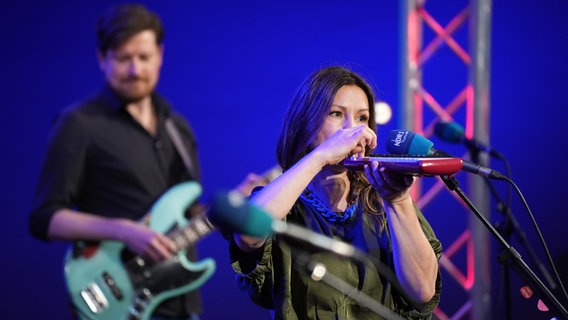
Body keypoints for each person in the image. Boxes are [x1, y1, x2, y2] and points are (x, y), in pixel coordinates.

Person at [29, 3, 204, 320]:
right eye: (124, 59)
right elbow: (45, 218)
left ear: (160, 55)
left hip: (181, 302)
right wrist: (123, 231)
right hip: (117, 299)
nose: (135, 70)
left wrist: (238, 202)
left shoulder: (177, 127)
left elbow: (190, 214)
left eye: (144, 57)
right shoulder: (79, 123)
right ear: (102, 59)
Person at [227, 66, 442, 319]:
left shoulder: (382, 202)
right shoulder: (284, 206)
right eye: (337, 114)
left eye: (362, 118)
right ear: (305, 124)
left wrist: (399, 200)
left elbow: (423, 291)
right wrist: (321, 156)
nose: (354, 130)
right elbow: (249, 233)